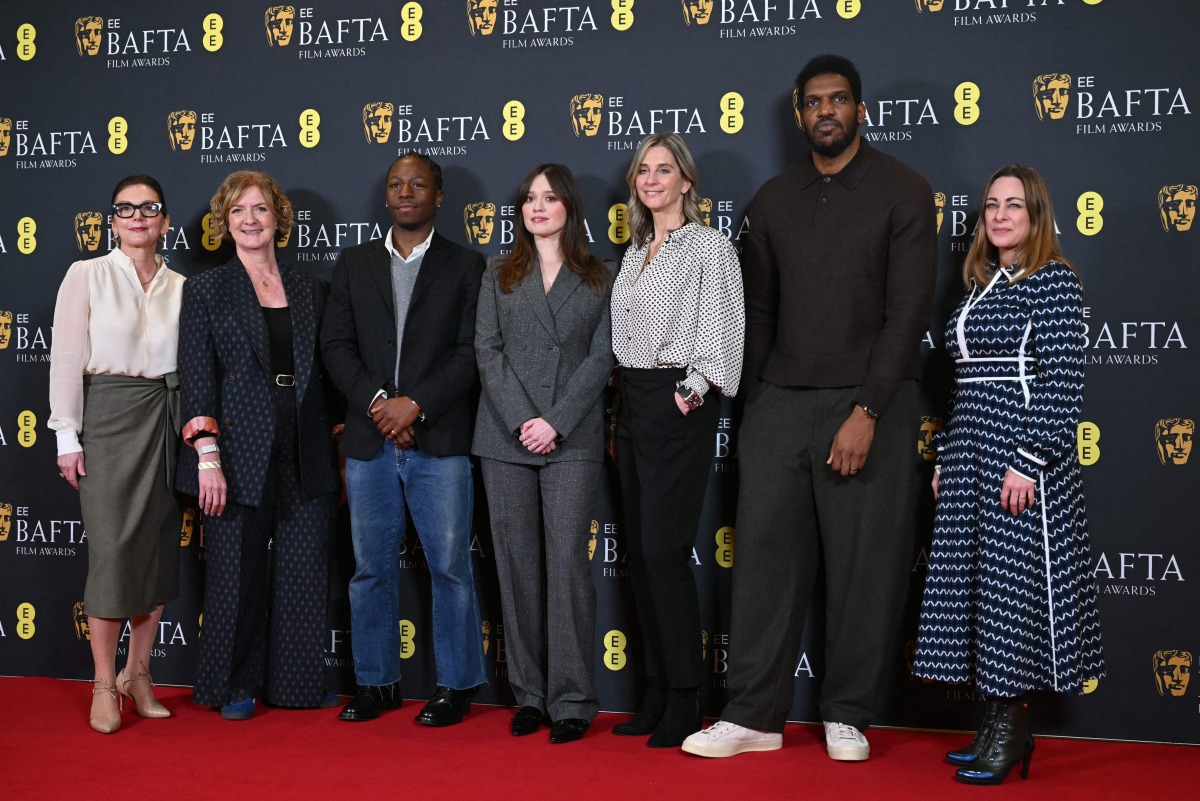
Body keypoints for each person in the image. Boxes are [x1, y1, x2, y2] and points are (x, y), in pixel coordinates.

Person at [682, 55, 936, 761]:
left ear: (859, 110)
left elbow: (907, 310)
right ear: (799, 115)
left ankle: (847, 711)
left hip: (870, 404)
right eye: (814, 102)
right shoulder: (771, 199)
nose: (826, 111)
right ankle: (753, 714)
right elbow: (758, 309)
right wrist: (757, 399)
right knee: (763, 562)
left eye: (839, 100)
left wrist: (869, 410)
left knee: (864, 565)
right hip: (781, 402)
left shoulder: (904, 190)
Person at [912, 164, 1105, 785]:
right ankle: (993, 727)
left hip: (1021, 460)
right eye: (992, 204)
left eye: (1013, 205)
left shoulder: (1054, 284)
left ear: (1036, 216)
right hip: (971, 452)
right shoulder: (980, 285)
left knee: (1011, 597)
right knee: (980, 595)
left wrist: (1030, 459)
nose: (999, 215)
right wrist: (948, 457)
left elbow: (1062, 385)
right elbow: (963, 387)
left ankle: (1013, 731)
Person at [321, 152, 488, 726]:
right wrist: (379, 405)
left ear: (439, 196)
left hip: (438, 441)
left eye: (418, 184)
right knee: (369, 569)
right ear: (385, 196)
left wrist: (414, 405)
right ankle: (376, 683)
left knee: (449, 567)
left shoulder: (468, 266)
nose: (406, 191)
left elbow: (471, 353)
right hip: (369, 444)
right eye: (396, 184)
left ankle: (456, 685)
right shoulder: (354, 264)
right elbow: (335, 347)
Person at [177, 171, 339, 721]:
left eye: (261, 209)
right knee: (234, 574)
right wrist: (207, 457)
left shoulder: (311, 288)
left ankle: (295, 685)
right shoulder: (205, 289)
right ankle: (233, 685)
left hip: (305, 438)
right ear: (224, 223)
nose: (250, 219)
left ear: (278, 219)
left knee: (304, 566)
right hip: (234, 446)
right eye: (239, 211)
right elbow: (198, 377)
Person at [610, 132, 745, 748]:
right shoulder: (635, 247)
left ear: (687, 182)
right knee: (640, 553)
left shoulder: (710, 247)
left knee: (665, 551)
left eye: (665, 170)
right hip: (630, 403)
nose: (652, 179)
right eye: (644, 170)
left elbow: (723, 339)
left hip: (675, 404)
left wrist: (685, 397)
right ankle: (659, 686)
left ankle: (688, 695)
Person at [474, 164, 613, 744]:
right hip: (505, 437)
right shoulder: (498, 272)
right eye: (529, 198)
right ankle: (529, 695)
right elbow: (487, 349)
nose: (537, 207)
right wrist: (524, 421)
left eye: (549, 198)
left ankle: (573, 698)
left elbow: (602, 358)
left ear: (569, 207)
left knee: (567, 570)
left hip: (573, 438)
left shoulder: (601, 274)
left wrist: (554, 422)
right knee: (517, 568)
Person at [49, 174, 185, 733]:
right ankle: (103, 682)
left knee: (154, 550)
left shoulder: (182, 285)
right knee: (111, 553)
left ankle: (139, 675)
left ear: (164, 220)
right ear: (112, 220)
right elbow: (65, 358)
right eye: (124, 209)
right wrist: (65, 434)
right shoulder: (87, 275)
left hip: (167, 419)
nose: (136, 216)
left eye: (148, 207)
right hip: (106, 418)